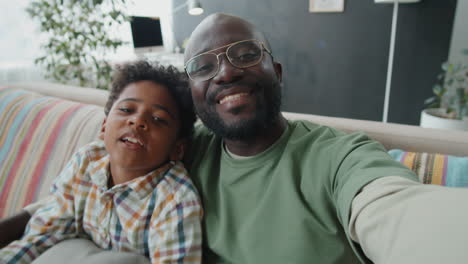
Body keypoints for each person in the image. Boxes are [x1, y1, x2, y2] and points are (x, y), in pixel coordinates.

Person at [2, 13, 468, 264]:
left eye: (245, 54)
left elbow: (398, 212)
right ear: (195, 92)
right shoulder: (180, 144)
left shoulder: (336, 156)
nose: (225, 71)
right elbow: (71, 198)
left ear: (275, 71)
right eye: (204, 65)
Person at [0, 61, 203, 264]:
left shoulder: (175, 200)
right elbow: (45, 232)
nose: (137, 121)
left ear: (178, 149)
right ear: (104, 126)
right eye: (126, 110)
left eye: (158, 119)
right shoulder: (86, 162)